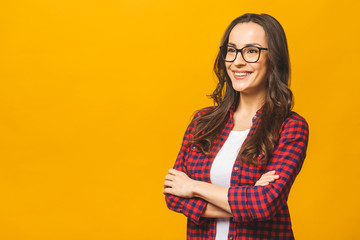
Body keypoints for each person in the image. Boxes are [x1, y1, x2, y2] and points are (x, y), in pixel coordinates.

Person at [163, 13, 309, 240]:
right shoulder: (203, 122)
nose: (237, 61)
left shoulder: (290, 127)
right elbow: (173, 194)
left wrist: (193, 187)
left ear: (274, 59)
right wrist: (247, 201)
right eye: (232, 50)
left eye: (252, 51)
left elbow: (264, 205)